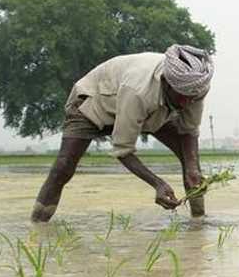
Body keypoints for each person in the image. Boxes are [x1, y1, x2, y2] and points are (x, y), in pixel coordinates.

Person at [30, 45, 214, 222]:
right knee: (63, 167)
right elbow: (122, 150)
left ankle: (198, 222)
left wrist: (192, 168)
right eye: (182, 97)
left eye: (191, 99)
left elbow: (189, 131)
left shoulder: (194, 89)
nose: (186, 104)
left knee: (191, 165)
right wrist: (157, 183)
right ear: (166, 82)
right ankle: (37, 223)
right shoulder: (138, 91)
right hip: (95, 101)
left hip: (153, 109)